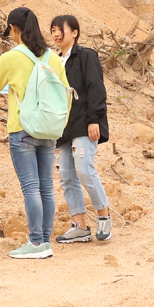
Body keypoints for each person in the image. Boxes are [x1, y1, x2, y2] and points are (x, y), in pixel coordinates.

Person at [0, 7, 69, 259]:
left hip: (23, 129)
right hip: (49, 130)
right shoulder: (52, 57)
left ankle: (36, 243)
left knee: (30, 188)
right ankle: (45, 241)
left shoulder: (10, 58)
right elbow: (65, 93)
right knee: (46, 188)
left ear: (13, 28)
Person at [49, 15, 112, 244]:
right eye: (53, 30)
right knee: (66, 175)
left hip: (85, 123)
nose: (56, 34)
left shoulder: (86, 55)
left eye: (60, 30)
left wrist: (95, 118)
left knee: (84, 169)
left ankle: (103, 215)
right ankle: (80, 226)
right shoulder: (56, 62)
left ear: (74, 32)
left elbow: (96, 87)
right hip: (64, 128)